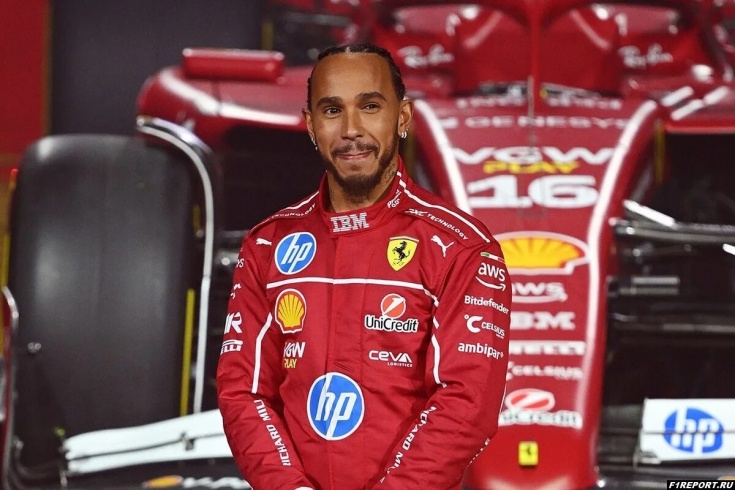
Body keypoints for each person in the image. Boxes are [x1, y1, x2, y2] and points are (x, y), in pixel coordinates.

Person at [217, 43, 511, 490]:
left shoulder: (462, 247)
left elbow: (468, 402)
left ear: (403, 117)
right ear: (311, 124)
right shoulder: (267, 245)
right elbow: (243, 392)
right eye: (332, 110)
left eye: (370, 106)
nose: (351, 129)